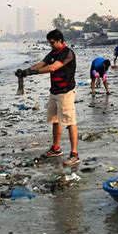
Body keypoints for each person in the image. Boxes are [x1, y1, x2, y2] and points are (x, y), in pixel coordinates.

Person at [15, 29, 79, 166]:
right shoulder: (53, 52)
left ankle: (74, 154)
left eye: (52, 43)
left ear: (60, 41)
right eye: (49, 43)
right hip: (54, 91)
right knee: (55, 120)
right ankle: (56, 148)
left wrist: (34, 73)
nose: (50, 45)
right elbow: (43, 63)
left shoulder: (67, 53)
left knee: (70, 122)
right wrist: (26, 71)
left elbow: (53, 68)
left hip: (65, 92)